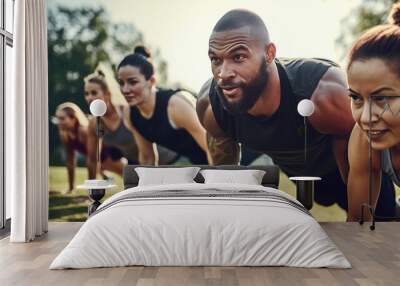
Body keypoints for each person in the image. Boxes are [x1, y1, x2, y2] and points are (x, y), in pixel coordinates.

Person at [196, 9, 394, 214]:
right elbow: (225, 174)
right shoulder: (212, 107)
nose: (223, 74)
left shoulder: (325, 95)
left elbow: (363, 163)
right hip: (298, 173)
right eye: (216, 60)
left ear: (269, 54)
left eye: (238, 57)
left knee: (383, 223)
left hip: (343, 165)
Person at [346, 3, 400, 221]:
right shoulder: (363, 139)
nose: (366, 118)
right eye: (356, 98)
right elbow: (357, 225)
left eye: (381, 98)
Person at [117, 46, 210, 165]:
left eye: (133, 82)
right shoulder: (130, 114)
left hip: (224, 157)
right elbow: (147, 157)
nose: (125, 90)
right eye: (121, 83)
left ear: (151, 81)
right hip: (196, 161)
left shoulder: (175, 105)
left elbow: (212, 149)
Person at [84, 65, 179, 179]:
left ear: (108, 94)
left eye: (94, 93)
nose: (89, 97)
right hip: (142, 165)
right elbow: (92, 159)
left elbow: (148, 153)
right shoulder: (94, 124)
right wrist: (92, 190)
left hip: (170, 160)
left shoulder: (128, 112)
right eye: (86, 93)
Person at [53, 102, 122, 192]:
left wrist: (91, 191)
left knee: (133, 178)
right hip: (99, 162)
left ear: (73, 118)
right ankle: (107, 178)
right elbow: (70, 161)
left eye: (62, 118)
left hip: (110, 158)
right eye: (57, 118)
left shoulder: (83, 131)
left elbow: (93, 160)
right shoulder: (64, 134)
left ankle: (107, 179)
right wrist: (70, 188)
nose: (59, 122)